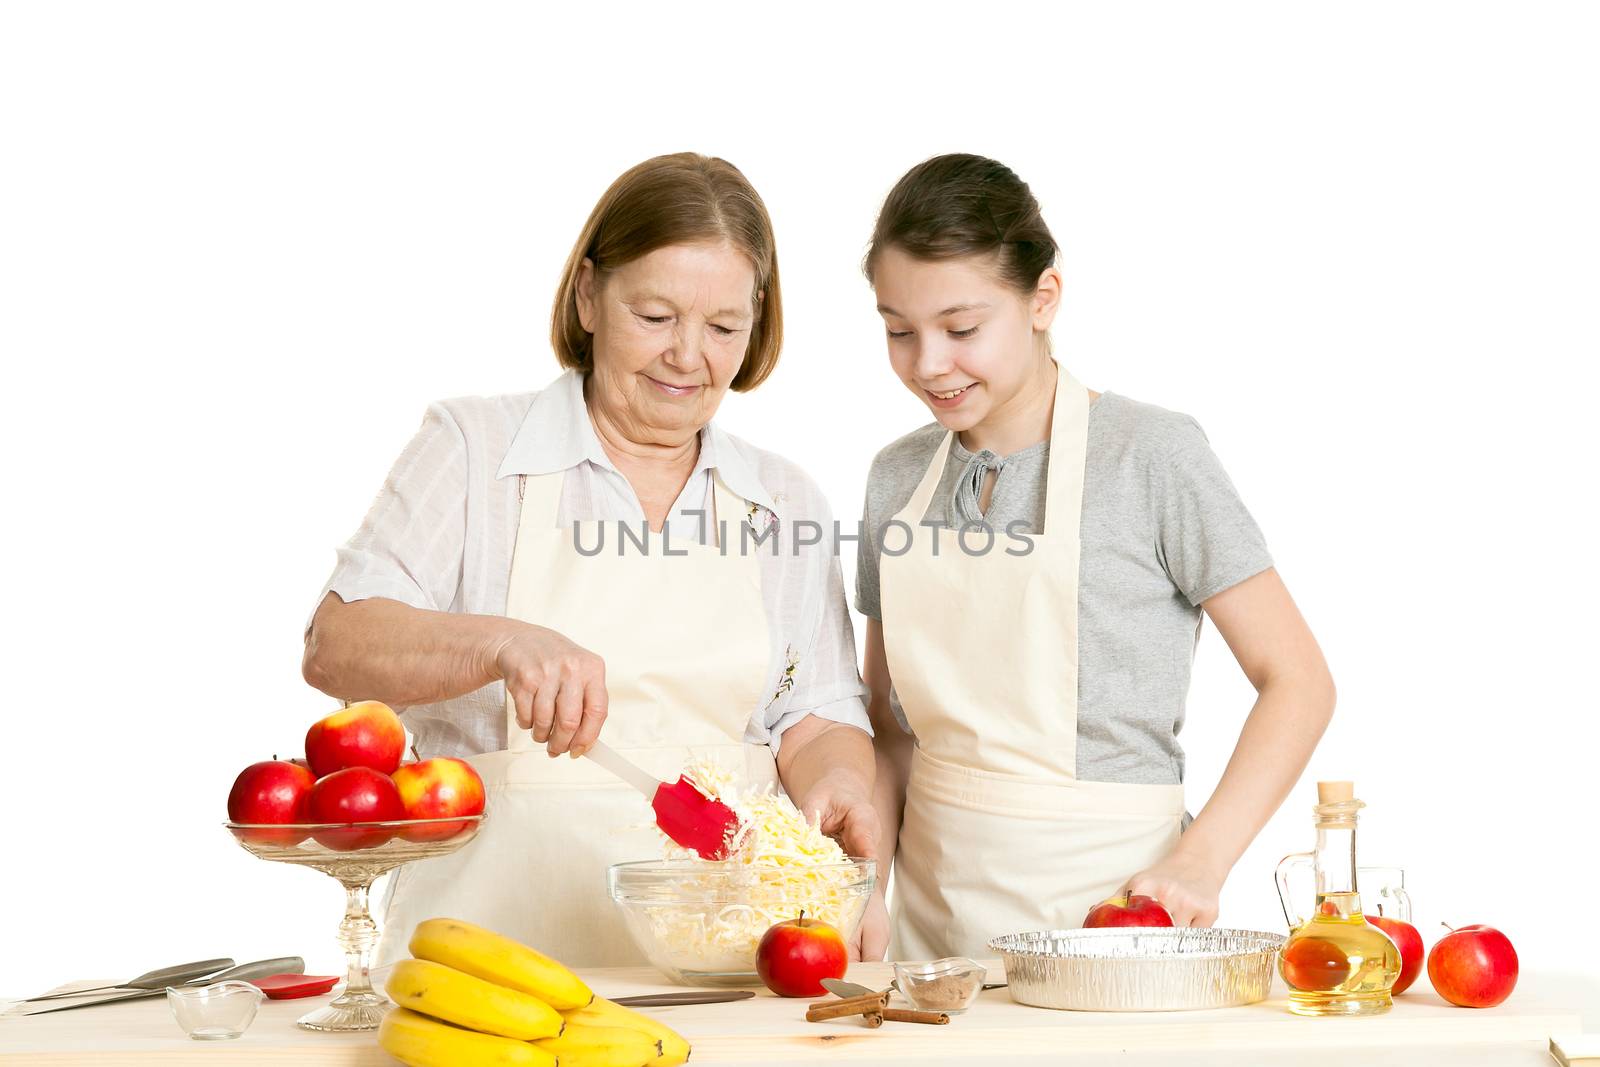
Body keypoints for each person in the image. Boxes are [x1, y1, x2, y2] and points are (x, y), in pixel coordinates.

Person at [302, 152, 878, 967]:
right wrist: (501, 642)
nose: (688, 355)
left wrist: (841, 784)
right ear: (587, 295)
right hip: (485, 964)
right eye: (654, 315)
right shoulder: (474, 450)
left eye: (723, 327)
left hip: (721, 959)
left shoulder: (783, 499)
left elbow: (815, 712)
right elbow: (338, 644)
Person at [853, 154, 1336, 960]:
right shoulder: (897, 478)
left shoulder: (1151, 456)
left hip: (1115, 917)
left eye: (962, 328)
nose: (929, 362)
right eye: (899, 330)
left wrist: (1201, 857)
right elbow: (890, 726)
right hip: (932, 928)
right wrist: (862, 886)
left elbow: (1300, 681)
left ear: (1043, 298)